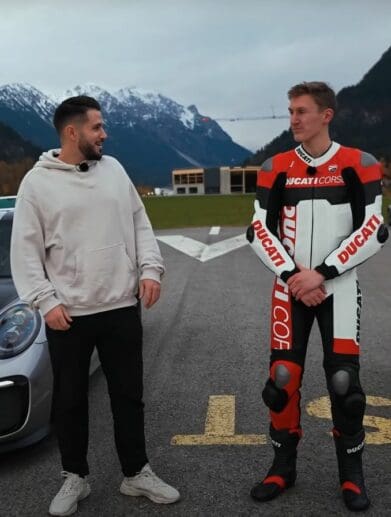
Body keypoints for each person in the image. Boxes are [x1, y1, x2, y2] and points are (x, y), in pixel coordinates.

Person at [10, 96, 180, 516]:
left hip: (121, 306)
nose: (104, 134)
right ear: (72, 132)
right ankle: (75, 478)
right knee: (69, 402)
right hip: (68, 315)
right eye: (97, 127)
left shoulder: (115, 170)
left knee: (129, 396)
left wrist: (150, 269)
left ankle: (136, 473)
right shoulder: (37, 183)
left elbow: (140, 222)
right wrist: (45, 301)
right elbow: (25, 251)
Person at [246, 82, 388, 512]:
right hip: (289, 290)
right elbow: (258, 230)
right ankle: (281, 468)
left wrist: (321, 274)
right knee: (281, 381)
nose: (293, 119)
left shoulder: (358, 163)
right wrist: (294, 277)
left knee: (345, 387)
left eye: (301, 111)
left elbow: (375, 230)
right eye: (291, 111)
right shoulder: (275, 167)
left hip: (338, 288)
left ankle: (352, 477)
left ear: (326, 115)